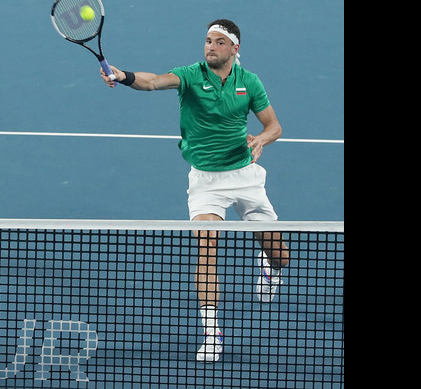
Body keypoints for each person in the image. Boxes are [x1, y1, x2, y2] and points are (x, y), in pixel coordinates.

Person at [100, 19, 289, 362]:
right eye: (207, 40)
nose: (210, 46)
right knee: (206, 245)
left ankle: (269, 265)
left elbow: (273, 125)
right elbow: (154, 81)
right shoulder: (189, 75)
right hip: (205, 182)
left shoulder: (249, 82)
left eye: (219, 42)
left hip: (245, 176)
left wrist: (261, 139)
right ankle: (212, 333)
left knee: (282, 255)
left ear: (235, 49)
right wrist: (124, 75)